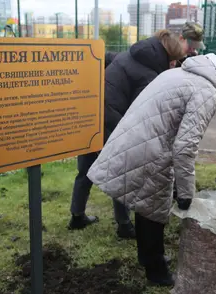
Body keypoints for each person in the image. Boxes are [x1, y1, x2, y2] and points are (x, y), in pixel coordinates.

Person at [87, 52, 216, 286]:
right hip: (151, 150)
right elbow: (185, 147)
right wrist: (185, 194)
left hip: (136, 140)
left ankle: (149, 258)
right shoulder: (208, 91)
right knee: (154, 212)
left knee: (146, 206)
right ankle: (157, 272)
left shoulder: (179, 73)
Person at [68, 30, 185, 239]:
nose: (175, 65)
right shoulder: (149, 75)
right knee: (122, 172)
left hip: (92, 115)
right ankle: (124, 226)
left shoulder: (132, 54)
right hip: (113, 120)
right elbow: (140, 110)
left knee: (85, 168)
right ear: (168, 56)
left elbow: (108, 60)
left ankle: (77, 216)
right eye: (175, 61)